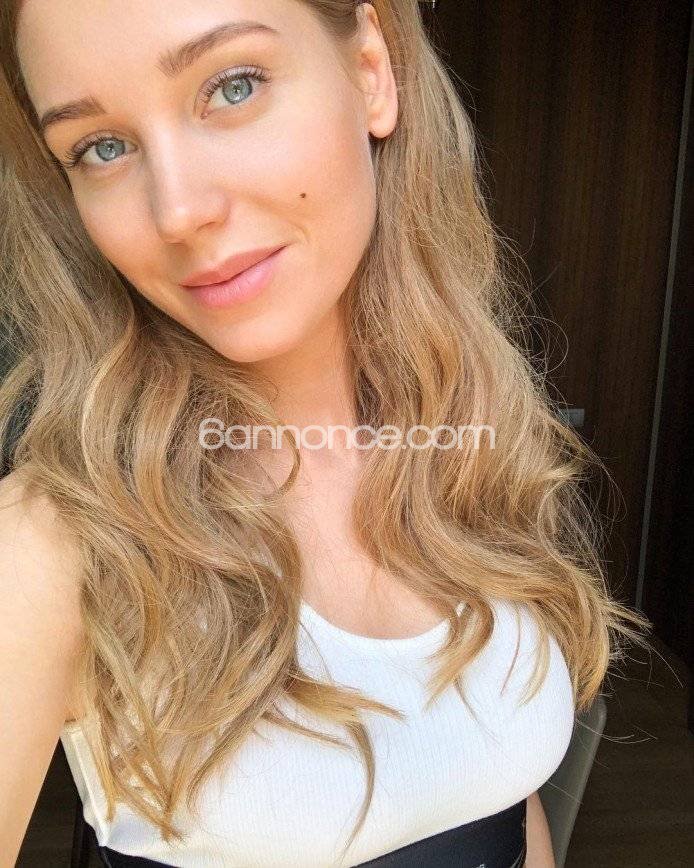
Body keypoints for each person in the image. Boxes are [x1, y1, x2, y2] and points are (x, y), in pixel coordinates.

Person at [0, 1, 651, 866]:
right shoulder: (50, 546)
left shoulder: (470, 438)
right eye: (101, 147)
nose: (178, 210)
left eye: (233, 87)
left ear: (371, 72)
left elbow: (498, 790)